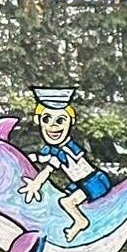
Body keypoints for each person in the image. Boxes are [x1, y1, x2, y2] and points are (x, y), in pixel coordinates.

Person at [18, 88, 108, 240]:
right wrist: (21, 157)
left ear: (70, 122)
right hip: (79, 184)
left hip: (93, 182)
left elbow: (48, 170)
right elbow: (40, 157)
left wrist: (35, 184)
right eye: (46, 119)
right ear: (38, 120)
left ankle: (81, 221)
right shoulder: (52, 149)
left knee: (66, 202)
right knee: (59, 199)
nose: (52, 126)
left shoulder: (65, 149)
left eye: (60, 120)